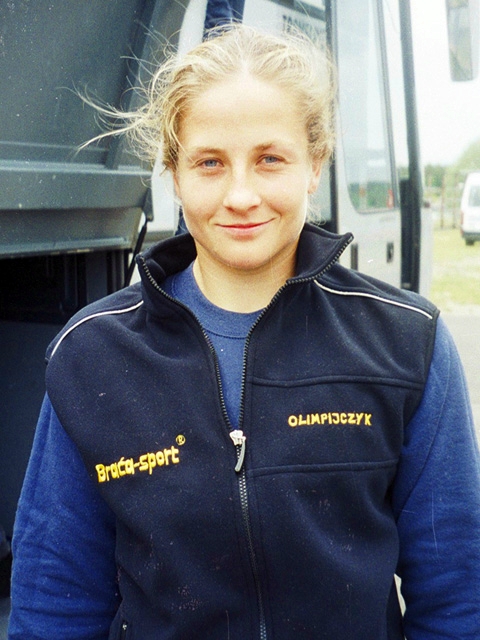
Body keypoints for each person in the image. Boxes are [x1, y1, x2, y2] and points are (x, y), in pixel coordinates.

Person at [8, 24, 480, 640]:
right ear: (174, 173)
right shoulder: (91, 355)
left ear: (315, 163)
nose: (240, 195)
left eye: (269, 159)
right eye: (210, 163)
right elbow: (55, 605)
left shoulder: (409, 343)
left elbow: (457, 597)